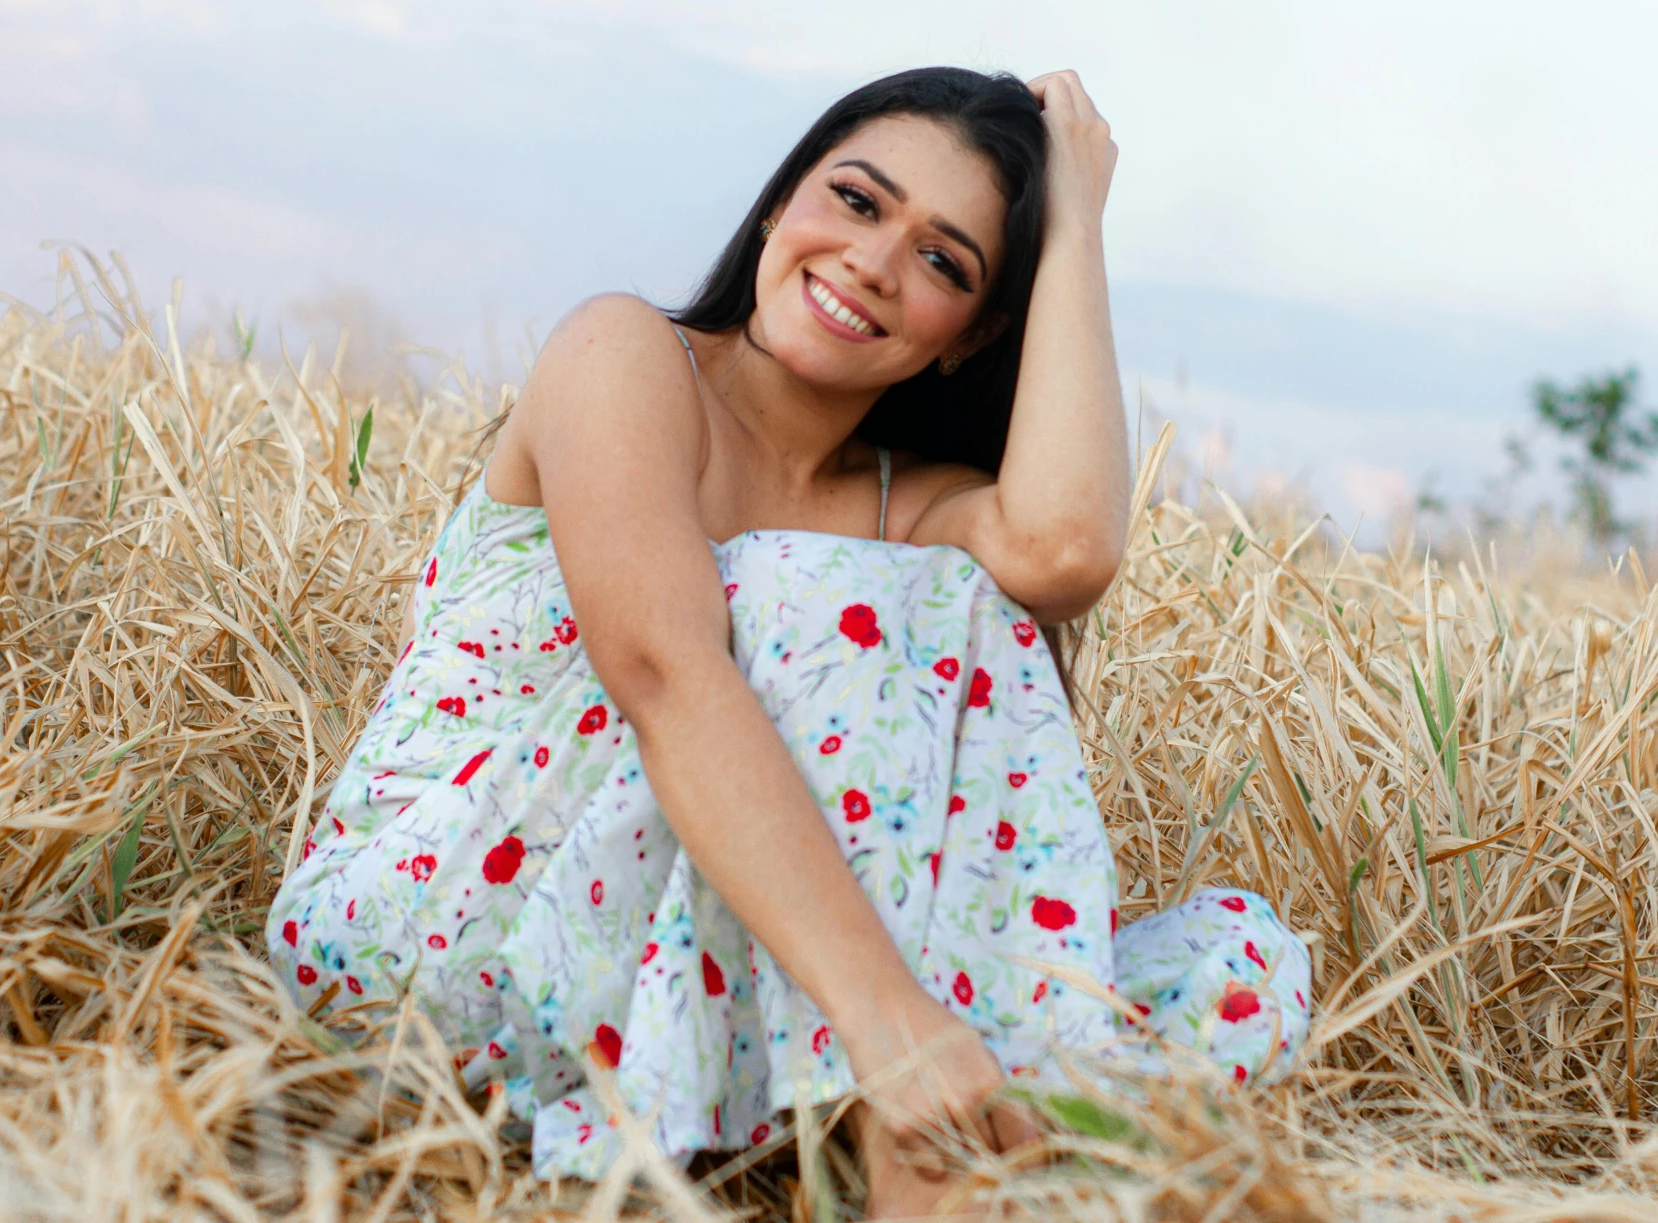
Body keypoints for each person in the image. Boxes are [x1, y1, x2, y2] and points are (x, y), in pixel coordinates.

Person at [267, 68, 1311, 1216]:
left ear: (973, 336)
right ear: (779, 206)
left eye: (942, 261)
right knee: (825, 599)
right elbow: (666, 675)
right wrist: (893, 1022)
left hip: (704, 976)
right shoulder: (625, 355)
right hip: (439, 937)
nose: (872, 261)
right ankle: (932, 1151)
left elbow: (1062, 551)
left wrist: (1075, 227)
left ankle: (929, 1120)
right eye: (858, 201)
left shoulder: (904, 506)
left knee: (1219, 968)